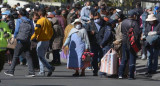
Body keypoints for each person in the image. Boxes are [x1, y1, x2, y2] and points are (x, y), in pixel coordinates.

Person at [4, 8, 35, 77]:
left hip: (20, 40)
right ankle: (31, 72)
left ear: (20, 14)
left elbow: (16, 30)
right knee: (28, 56)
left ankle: (11, 71)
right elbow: (33, 31)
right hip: (27, 40)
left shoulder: (19, 20)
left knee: (15, 56)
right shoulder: (30, 21)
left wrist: (14, 37)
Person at [31, 9, 55, 77]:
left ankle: (48, 68)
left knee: (40, 56)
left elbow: (37, 31)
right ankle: (43, 70)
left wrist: (32, 38)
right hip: (47, 40)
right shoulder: (48, 21)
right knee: (42, 56)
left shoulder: (40, 21)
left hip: (41, 41)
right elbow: (51, 32)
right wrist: (48, 37)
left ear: (40, 14)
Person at [118, 10, 141, 80]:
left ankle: (120, 74)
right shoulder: (135, 23)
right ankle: (131, 75)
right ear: (134, 16)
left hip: (124, 41)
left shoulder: (123, 22)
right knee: (132, 58)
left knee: (124, 58)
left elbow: (122, 31)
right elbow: (137, 33)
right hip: (132, 42)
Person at [0, 9, 11, 82]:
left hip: (2, 49)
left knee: (1, 66)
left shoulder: (4, 24)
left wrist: (8, 34)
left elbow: (9, 33)